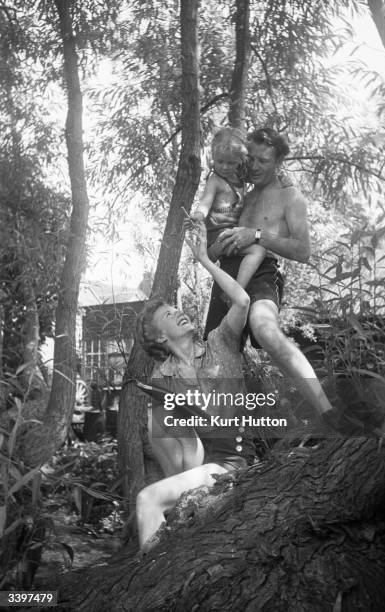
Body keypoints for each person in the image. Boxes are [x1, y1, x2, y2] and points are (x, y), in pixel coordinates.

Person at [200, 126, 336, 423]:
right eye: (252, 159)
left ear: (278, 163)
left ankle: (328, 412)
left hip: (262, 273)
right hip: (227, 275)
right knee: (212, 353)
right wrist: (216, 247)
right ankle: (221, 442)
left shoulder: (291, 196)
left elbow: (302, 251)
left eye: (264, 160)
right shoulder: (240, 193)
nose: (255, 166)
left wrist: (258, 235)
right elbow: (210, 249)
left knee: (265, 329)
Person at [136, 221, 256, 552]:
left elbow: (243, 301)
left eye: (178, 309)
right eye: (169, 315)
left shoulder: (221, 341)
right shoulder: (164, 377)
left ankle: (152, 586)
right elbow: (175, 441)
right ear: (160, 336)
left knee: (147, 500)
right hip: (202, 464)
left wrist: (204, 258)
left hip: (235, 460)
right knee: (155, 418)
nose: (180, 314)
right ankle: (183, 521)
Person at [192, 127, 266, 289]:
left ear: (240, 161)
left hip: (230, 235)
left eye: (231, 163)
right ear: (213, 158)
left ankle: (234, 287)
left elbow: (262, 177)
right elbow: (206, 201)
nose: (224, 167)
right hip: (218, 237)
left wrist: (280, 178)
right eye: (220, 161)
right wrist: (198, 215)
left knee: (257, 239)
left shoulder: (240, 177)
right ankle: (236, 291)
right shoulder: (215, 180)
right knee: (259, 251)